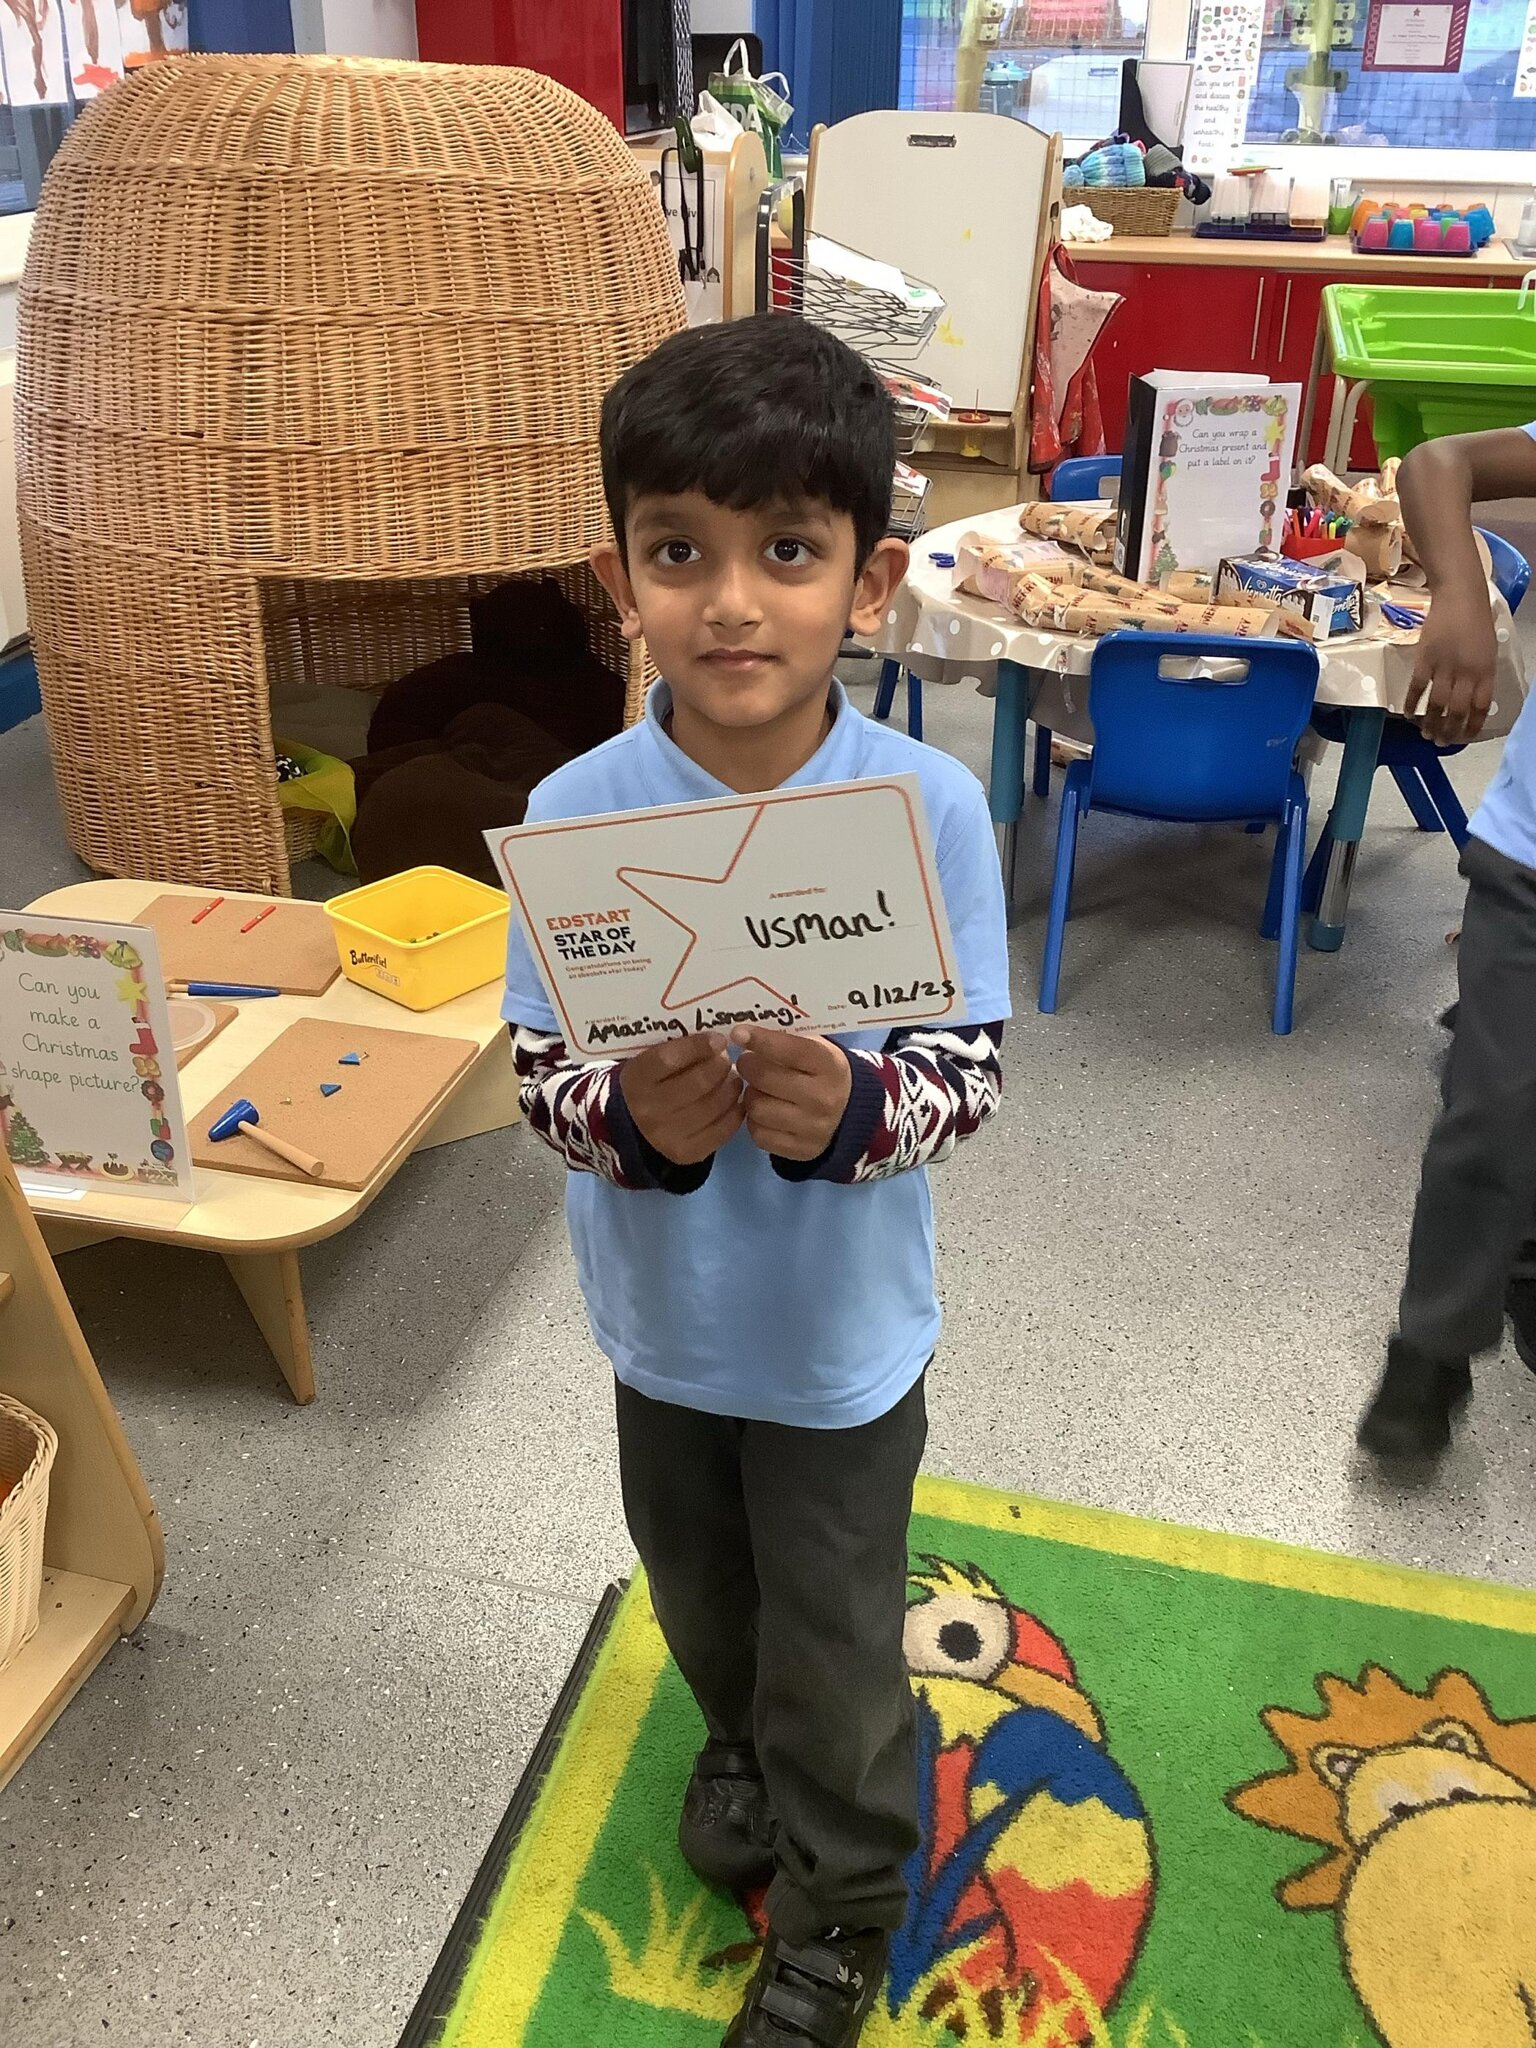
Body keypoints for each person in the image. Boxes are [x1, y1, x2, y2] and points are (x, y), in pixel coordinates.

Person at [500, 315, 1010, 2046]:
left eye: (787, 552)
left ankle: (841, 1908)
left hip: (841, 1342)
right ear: (618, 579)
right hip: (664, 1327)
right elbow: (539, 1078)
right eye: (679, 553)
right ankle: (733, 1733)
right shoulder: (576, 813)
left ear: (868, 584)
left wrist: (859, 1107)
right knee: (705, 1594)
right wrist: (631, 1117)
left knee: (840, 1644)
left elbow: (968, 1069)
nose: (731, 603)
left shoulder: (929, 808)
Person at [1358, 423, 1536, 1458]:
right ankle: (1433, 1344)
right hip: (1530, 862)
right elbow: (1438, 464)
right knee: (1491, 1111)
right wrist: (1461, 593)